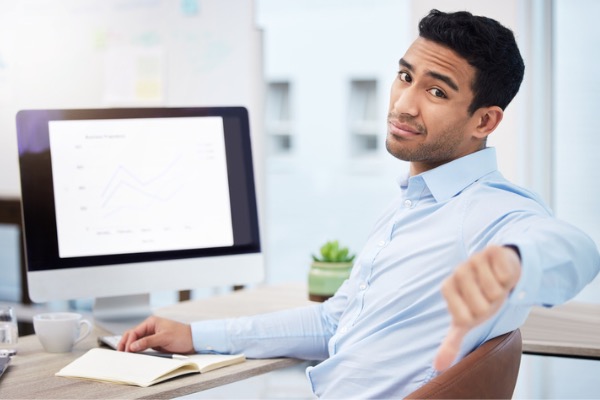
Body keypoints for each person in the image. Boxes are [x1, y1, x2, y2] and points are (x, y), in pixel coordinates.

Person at [119, 9, 600, 398]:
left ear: (484, 121)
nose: (404, 104)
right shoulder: (409, 205)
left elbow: (571, 248)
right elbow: (334, 321)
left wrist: (515, 263)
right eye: (405, 76)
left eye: (436, 91)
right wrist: (196, 337)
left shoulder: (484, 209)